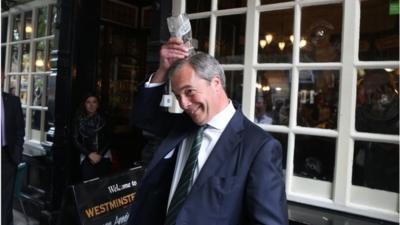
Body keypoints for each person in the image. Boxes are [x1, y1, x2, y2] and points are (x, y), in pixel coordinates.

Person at [128, 38, 288, 225]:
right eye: (178, 96)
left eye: (189, 92)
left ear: (216, 83)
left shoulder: (259, 147)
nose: (184, 104)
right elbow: (144, 117)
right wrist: (163, 69)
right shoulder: (182, 127)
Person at [72, 93, 112, 181]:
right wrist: (89, 154)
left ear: (98, 104)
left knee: (103, 185)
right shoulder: (78, 119)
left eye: (94, 102)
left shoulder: (105, 118)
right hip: (87, 157)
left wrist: (99, 155)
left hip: (103, 156)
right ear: (84, 104)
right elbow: (75, 140)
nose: (91, 105)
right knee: (89, 187)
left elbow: (110, 138)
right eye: (88, 102)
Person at [1, 80, 25, 225]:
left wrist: (16, 156)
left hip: (6, 157)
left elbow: (19, 131)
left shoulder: (13, 101)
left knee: (5, 202)